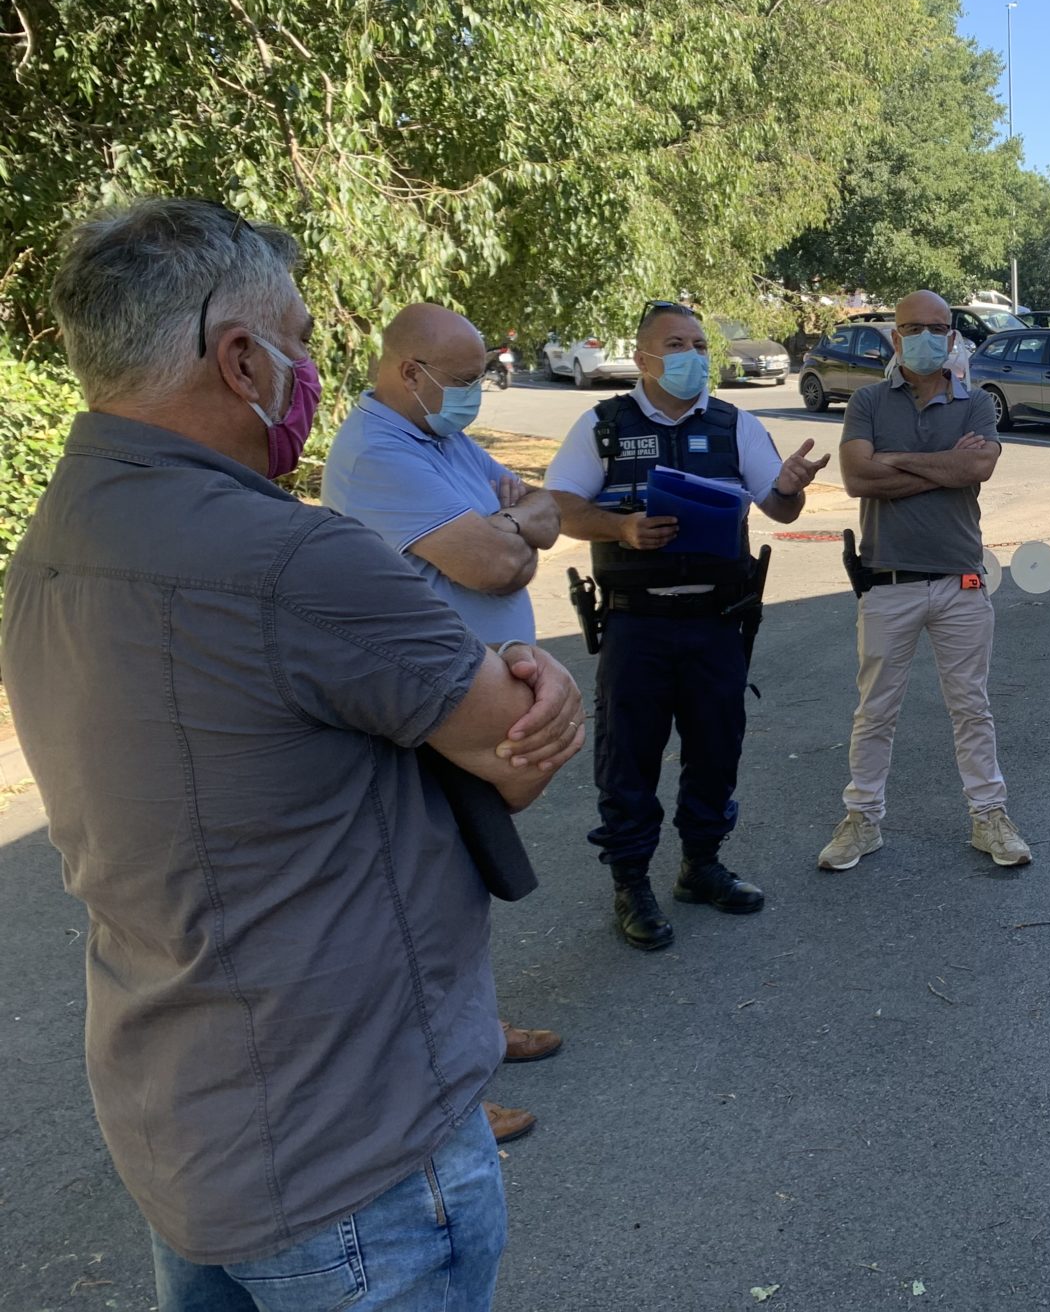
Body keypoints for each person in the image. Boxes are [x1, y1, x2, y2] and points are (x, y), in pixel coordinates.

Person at [1, 198, 585, 1311]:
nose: (313, 372)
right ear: (240, 361)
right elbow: (515, 750)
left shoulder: (51, 542)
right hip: (355, 1160)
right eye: (302, 343)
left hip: (181, 1131)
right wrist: (529, 680)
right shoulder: (297, 560)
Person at [322, 301, 568, 1144]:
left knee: (458, 887)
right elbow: (497, 564)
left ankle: (473, 1033)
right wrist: (511, 527)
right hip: (420, 711)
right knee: (415, 900)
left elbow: (547, 508)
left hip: (461, 704)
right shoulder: (378, 454)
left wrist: (515, 519)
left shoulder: (441, 439)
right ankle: (443, 1094)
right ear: (409, 373)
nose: (476, 394)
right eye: (463, 380)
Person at [546, 302, 828, 950]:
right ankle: (631, 882)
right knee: (628, 757)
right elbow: (557, 505)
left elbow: (781, 509)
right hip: (636, 623)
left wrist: (790, 486)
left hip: (715, 622)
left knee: (715, 750)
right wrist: (619, 527)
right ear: (643, 357)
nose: (692, 356)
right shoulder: (604, 426)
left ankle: (701, 865)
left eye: (699, 344)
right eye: (676, 344)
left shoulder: (735, 424)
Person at [818, 289, 1029, 872]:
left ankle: (989, 816)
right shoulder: (866, 401)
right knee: (875, 711)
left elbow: (978, 466)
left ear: (953, 337)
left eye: (937, 328)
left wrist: (893, 459)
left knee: (971, 707)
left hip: (961, 580)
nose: (926, 338)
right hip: (888, 580)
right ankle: (862, 820)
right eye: (913, 328)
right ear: (896, 337)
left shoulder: (976, 403)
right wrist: (943, 468)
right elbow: (857, 479)